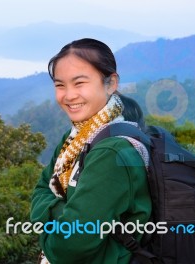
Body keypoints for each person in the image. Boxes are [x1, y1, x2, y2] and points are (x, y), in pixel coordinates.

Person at [30, 38, 151, 263]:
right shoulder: (76, 137)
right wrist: (62, 213)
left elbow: (69, 246)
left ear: (110, 83)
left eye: (80, 83)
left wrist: (47, 217)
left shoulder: (113, 152)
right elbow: (39, 188)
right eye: (60, 85)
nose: (68, 95)